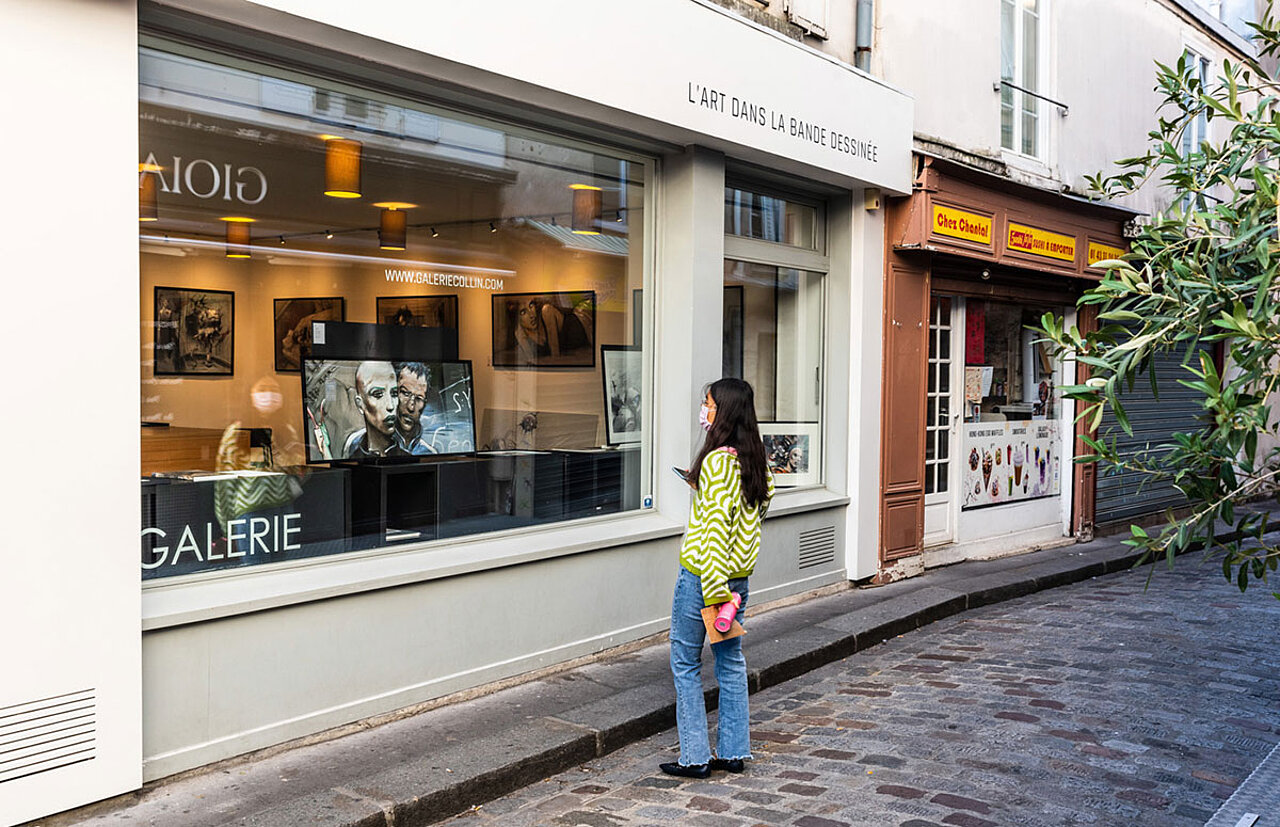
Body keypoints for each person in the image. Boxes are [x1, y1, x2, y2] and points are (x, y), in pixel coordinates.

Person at [663, 377, 774, 779]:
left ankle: (694, 756)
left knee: (686, 663)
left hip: (705, 579)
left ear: (723, 411)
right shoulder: (754, 459)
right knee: (730, 665)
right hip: (737, 581)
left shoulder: (718, 463)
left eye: (708, 404)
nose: (703, 409)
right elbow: (748, 522)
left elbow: (712, 533)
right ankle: (732, 750)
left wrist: (714, 592)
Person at [342, 361, 404, 458]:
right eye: (378, 395)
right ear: (360, 404)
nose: (390, 406)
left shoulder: (408, 455)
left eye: (394, 393)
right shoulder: (352, 454)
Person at [392, 361, 439, 456]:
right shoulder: (360, 442)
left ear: (425, 403)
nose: (411, 407)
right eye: (405, 393)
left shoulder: (429, 453)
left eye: (419, 398)